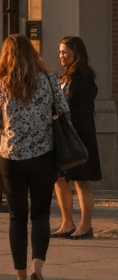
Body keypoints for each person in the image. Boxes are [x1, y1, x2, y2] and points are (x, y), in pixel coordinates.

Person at [0, 33, 68, 280]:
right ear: (32, 54)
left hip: (11, 158)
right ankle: (37, 268)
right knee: (40, 215)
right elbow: (64, 110)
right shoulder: (49, 81)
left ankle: (20, 278)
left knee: (17, 216)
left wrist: (8, 128)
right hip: (44, 156)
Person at [52, 36, 100, 240]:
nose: (61, 56)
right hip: (64, 136)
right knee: (60, 178)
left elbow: (76, 109)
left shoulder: (82, 77)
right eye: (60, 52)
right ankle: (67, 222)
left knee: (81, 181)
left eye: (65, 52)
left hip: (79, 137)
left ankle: (86, 225)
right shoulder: (65, 77)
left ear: (76, 53)